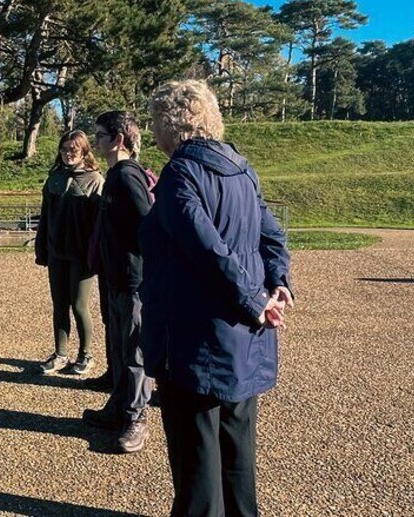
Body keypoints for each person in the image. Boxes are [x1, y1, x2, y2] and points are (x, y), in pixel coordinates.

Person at [140, 80, 293, 516]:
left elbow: (207, 249)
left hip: (195, 340)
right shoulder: (243, 169)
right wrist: (276, 284)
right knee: (237, 455)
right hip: (246, 337)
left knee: (197, 465)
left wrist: (256, 299)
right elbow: (272, 235)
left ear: (168, 125)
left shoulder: (179, 175)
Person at [82, 111, 154, 454]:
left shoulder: (127, 176)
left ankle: (136, 418)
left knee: (135, 350)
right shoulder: (115, 175)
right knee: (120, 348)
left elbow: (149, 226)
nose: (96, 141)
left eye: (100, 135)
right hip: (115, 278)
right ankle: (119, 407)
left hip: (133, 280)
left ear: (118, 139)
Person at [34, 130, 104, 375]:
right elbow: (45, 217)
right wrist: (41, 247)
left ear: (84, 150)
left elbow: (100, 224)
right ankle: (60, 354)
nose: (68, 153)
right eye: (64, 149)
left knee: (79, 305)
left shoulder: (95, 180)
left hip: (81, 256)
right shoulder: (54, 178)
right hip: (56, 252)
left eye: (74, 149)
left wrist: (96, 255)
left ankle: (86, 354)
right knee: (59, 304)